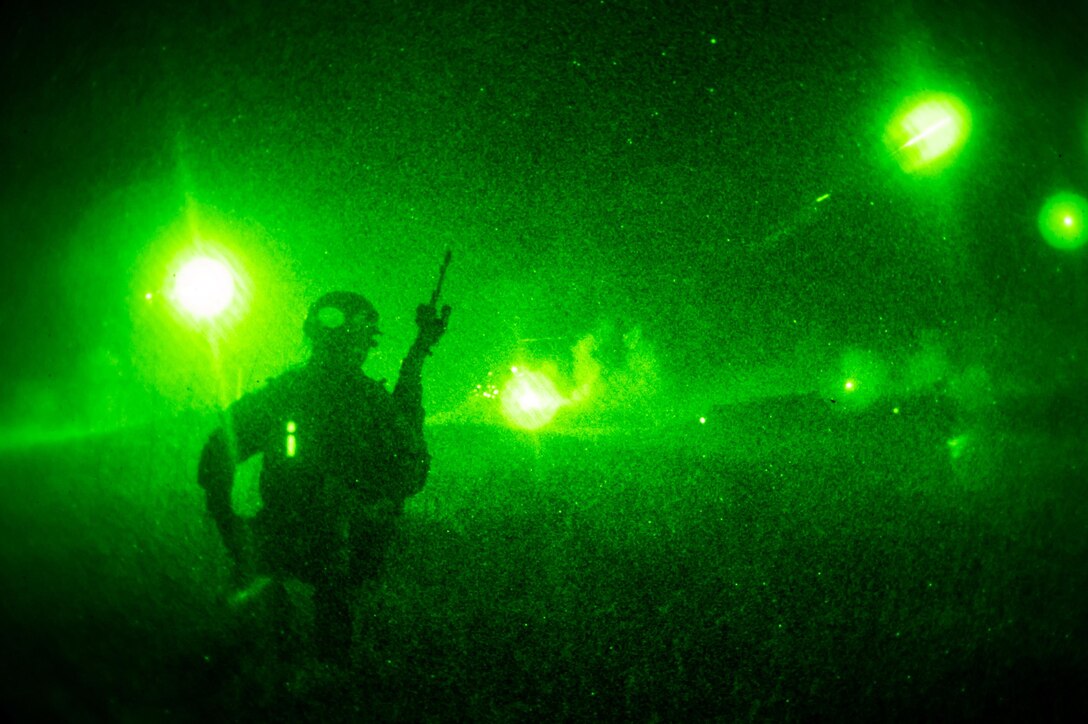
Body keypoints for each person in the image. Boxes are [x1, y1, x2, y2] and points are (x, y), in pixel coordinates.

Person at [197, 290, 451, 671]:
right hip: (314, 550)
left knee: (285, 644)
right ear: (364, 342)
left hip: (302, 546)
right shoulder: (361, 402)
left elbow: (218, 453)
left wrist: (231, 525)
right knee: (314, 647)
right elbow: (412, 468)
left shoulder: (290, 394)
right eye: (356, 339)